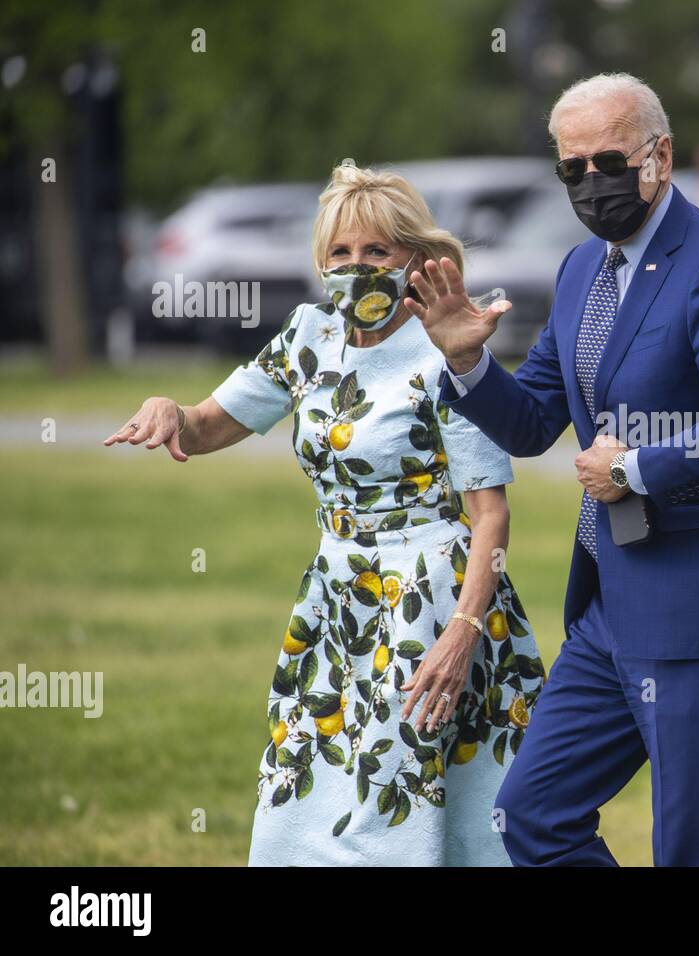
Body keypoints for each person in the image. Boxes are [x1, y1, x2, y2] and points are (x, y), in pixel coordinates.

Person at [408, 72, 699, 866]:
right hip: (611, 606)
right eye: (572, 169)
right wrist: (468, 366)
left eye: (609, 162)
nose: (591, 184)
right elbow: (532, 424)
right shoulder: (579, 272)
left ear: (658, 158)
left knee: (692, 847)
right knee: (530, 815)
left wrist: (634, 468)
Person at [104, 164, 545, 866]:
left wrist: (463, 631)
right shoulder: (308, 335)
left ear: (413, 260)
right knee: (306, 787)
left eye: (377, 252)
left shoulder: (446, 348)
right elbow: (209, 426)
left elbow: (489, 515)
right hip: (336, 598)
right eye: (341, 253)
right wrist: (169, 412)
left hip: (431, 599)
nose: (356, 267)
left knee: (403, 803)